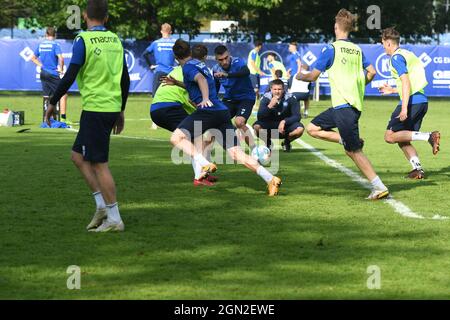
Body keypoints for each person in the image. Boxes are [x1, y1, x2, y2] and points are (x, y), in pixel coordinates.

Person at [45, 0, 130, 232]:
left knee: (100, 164)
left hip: (96, 108)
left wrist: (52, 102)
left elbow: (71, 74)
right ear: (107, 17)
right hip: (109, 107)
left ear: (85, 16)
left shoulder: (83, 39)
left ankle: (114, 219)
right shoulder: (115, 40)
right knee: (77, 157)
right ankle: (101, 206)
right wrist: (121, 109)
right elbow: (125, 79)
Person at [167, 39, 282, 196]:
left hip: (208, 110)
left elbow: (200, 81)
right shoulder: (202, 66)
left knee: (176, 138)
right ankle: (270, 178)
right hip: (222, 112)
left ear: (176, 56)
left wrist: (205, 98)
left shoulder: (188, 67)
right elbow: (197, 82)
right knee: (235, 153)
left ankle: (204, 164)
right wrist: (177, 83)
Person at [297, 8, 389, 200]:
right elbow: (372, 72)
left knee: (353, 151)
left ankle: (378, 186)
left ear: (336, 27)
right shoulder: (356, 49)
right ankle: (344, 139)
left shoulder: (331, 49)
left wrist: (299, 75)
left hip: (344, 106)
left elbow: (313, 76)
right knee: (312, 128)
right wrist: (358, 83)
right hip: (348, 105)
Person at [379, 27, 440, 179]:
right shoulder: (407, 53)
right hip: (421, 101)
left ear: (388, 43)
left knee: (389, 136)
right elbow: (409, 82)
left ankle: (429, 136)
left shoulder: (395, 58)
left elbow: (405, 81)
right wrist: (393, 90)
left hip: (412, 102)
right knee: (402, 138)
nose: (382, 47)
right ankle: (417, 169)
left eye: (382, 43)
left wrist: (404, 108)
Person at [152, 48, 217, 186]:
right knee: (197, 135)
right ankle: (200, 176)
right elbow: (191, 101)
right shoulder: (190, 71)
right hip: (169, 107)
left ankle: (203, 174)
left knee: (195, 136)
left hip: (157, 109)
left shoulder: (181, 69)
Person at [213, 45, 256, 148]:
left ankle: (255, 151)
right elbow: (215, 88)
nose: (224, 62)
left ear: (229, 55)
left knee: (239, 122)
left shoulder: (237, 62)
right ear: (216, 59)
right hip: (229, 99)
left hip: (246, 98)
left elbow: (246, 72)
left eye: (226, 58)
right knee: (216, 120)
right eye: (220, 60)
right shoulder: (215, 69)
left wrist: (227, 75)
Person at [253, 79, 304, 152]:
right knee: (257, 127)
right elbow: (260, 117)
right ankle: (268, 143)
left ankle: (287, 142)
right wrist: (270, 105)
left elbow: (297, 116)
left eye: (279, 89)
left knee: (300, 129)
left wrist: (284, 121)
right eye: (275, 89)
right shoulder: (266, 98)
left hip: (285, 127)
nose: (277, 91)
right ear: (271, 89)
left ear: (283, 89)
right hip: (270, 125)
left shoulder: (290, 98)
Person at [31, 27, 69, 123]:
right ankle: (63, 118)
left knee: (47, 96)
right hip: (52, 73)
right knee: (63, 94)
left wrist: (42, 66)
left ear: (46, 35)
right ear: (55, 35)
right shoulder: (55, 44)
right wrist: (60, 69)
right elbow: (61, 58)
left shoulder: (41, 44)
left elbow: (33, 58)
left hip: (43, 73)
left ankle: (46, 119)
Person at [144, 23, 176, 94]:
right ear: (170, 32)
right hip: (171, 72)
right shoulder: (175, 43)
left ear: (161, 31)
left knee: (156, 95)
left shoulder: (156, 43)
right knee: (170, 95)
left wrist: (150, 65)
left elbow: (145, 54)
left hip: (159, 71)